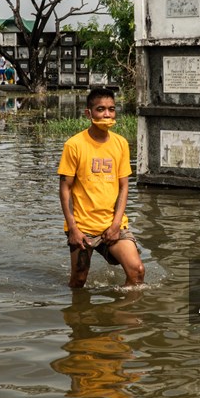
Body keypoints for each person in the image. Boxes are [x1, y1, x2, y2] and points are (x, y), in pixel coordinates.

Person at [58, 87, 145, 288]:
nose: (107, 114)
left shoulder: (121, 143)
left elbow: (124, 187)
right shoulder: (74, 145)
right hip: (83, 227)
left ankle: (118, 314)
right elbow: (65, 189)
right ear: (88, 113)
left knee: (137, 271)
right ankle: (79, 315)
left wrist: (116, 225)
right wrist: (73, 228)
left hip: (112, 223)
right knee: (79, 280)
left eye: (111, 109)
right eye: (101, 109)